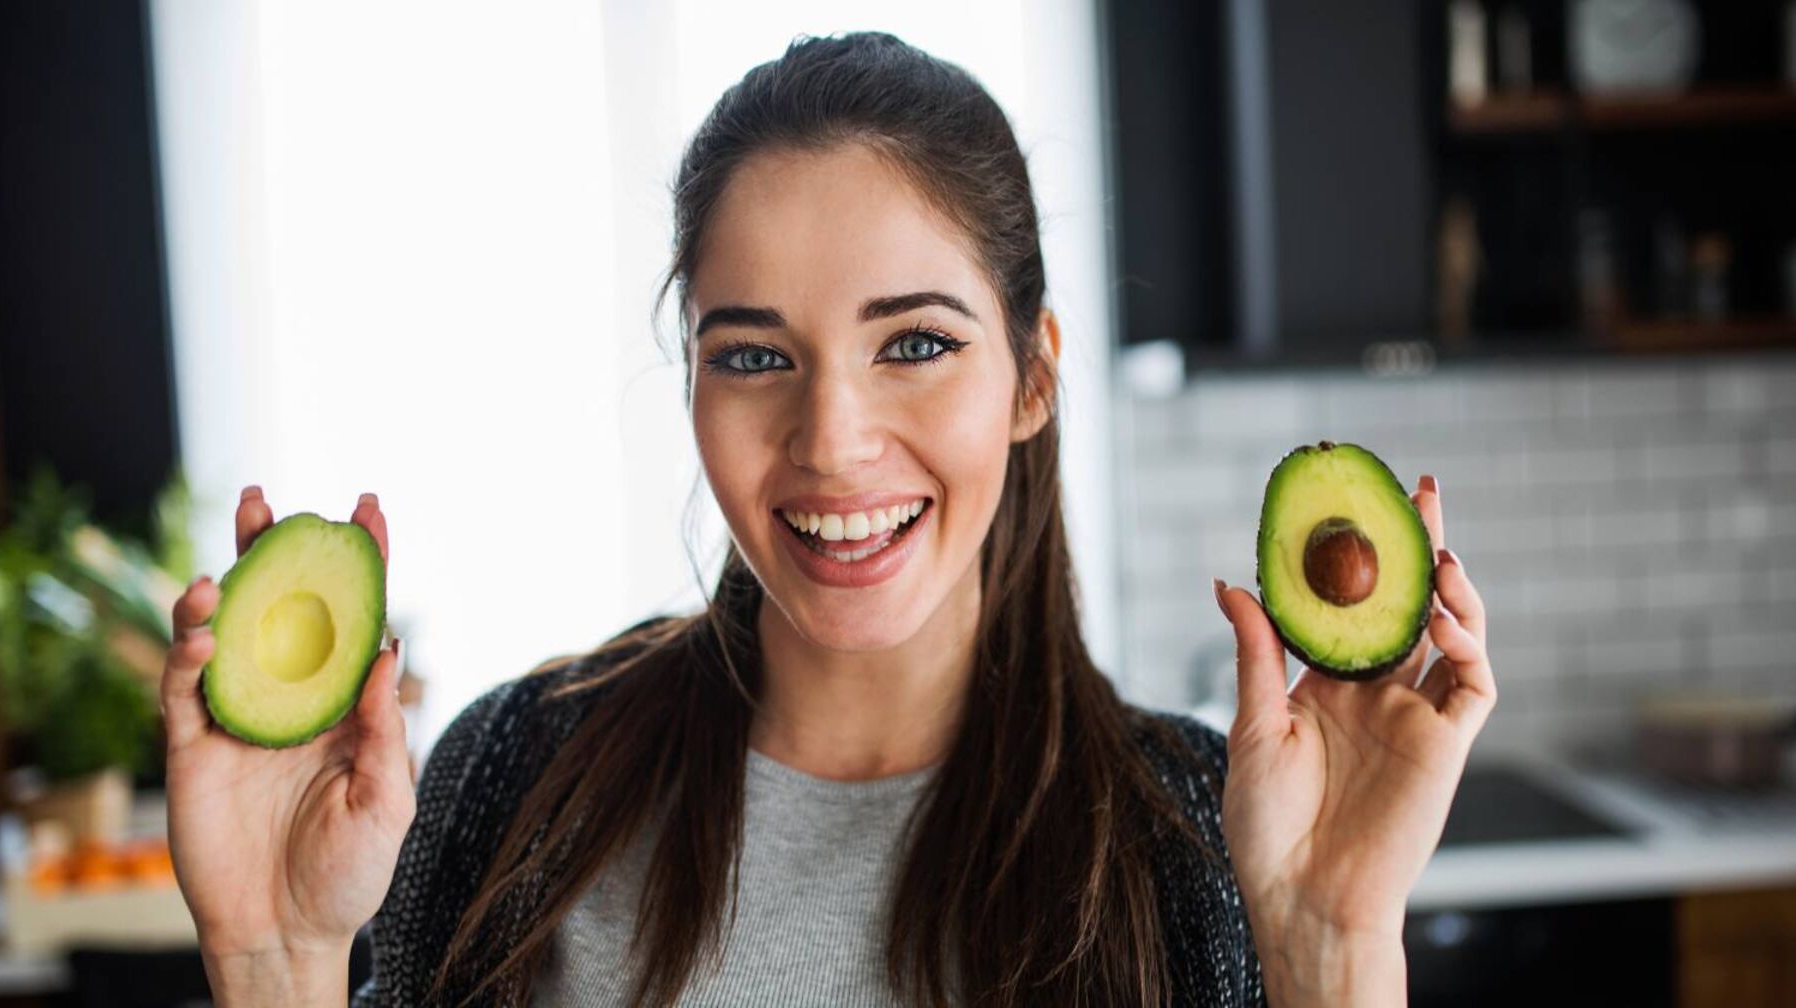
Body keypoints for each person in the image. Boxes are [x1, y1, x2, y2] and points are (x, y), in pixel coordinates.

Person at [162, 32, 1494, 1008]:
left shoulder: (1198, 833)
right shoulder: (517, 780)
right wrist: (273, 958)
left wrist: (1325, 941)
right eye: (753, 357)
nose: (832, 443)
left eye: (913, 343)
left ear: (1032, 375)